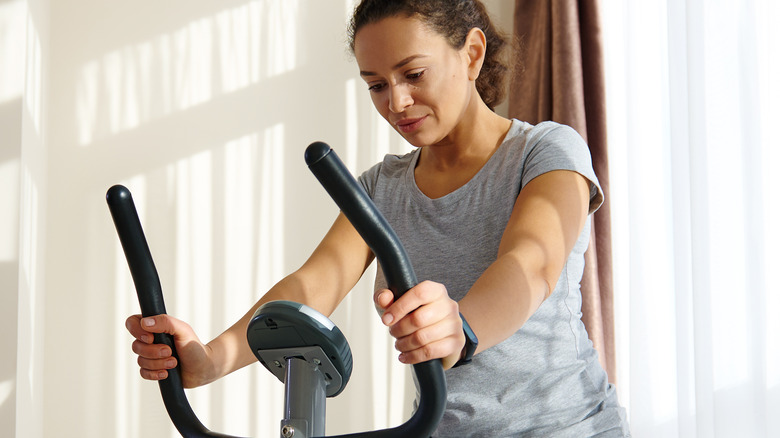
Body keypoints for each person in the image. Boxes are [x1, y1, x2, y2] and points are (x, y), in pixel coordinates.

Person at [125, 0, 630, 436]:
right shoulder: (380, 189)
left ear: (472, 54)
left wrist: (464, 328)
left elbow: (532, 263)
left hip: (568, 426)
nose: (397, 103)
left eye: (413, 74)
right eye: (376, 85)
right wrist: (210, 360)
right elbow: (311, 285)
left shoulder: (544, 150)